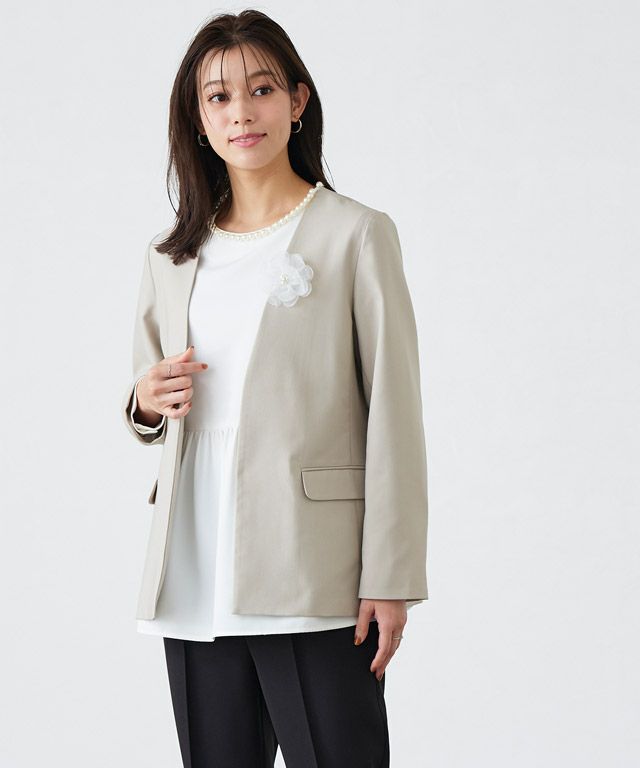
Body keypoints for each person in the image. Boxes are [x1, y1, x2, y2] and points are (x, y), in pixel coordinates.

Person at [121, 9, 429, 767]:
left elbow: (394, 413)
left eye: (260, 89)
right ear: (198, 120)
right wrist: (146, 401)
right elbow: (147, 397)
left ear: (297, 101)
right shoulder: (171, 254)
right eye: (218, 97)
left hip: (313, 567)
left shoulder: (356, 233)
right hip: (195, 564)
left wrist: (391, 577)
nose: (241, 112)